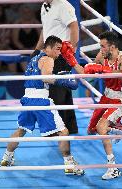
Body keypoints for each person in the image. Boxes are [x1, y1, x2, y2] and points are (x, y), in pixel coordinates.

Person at [0, 36, 84, 176]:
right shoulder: (48, 59)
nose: (59, 53)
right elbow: (45, 77)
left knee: (21, 130)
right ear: (49, 48)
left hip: (27, 99)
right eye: (57, 49)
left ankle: (6, 158)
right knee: (64, 132)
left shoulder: (34, 58)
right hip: (40, 100)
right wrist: (61, 81)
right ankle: (69, 165)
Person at [61, 31, 122, 180]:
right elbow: (85, 71)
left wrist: (105, 70)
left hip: (119, 100)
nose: (101, 49)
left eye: (103, 46)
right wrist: (71, 60)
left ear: (112, 47)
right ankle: (119, 127)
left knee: (101, 127)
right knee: (92, 129)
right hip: (106, 97)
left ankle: (113, 167)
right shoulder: (101, 56)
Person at [32, 0, 79, 134]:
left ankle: (57, 129)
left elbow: (74, 27)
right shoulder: (44, 6)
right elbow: (45, 29)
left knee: (56, 92)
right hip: (51, 53)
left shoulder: (63, 5)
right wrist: (37, 49)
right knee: (63, 90)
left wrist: (71, 50)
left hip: (61, 54)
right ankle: (70, 127)